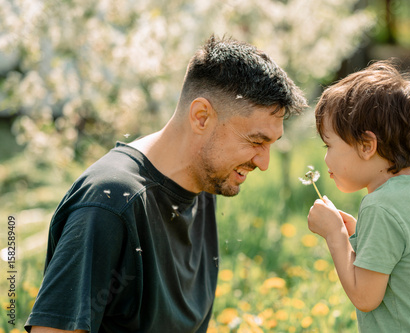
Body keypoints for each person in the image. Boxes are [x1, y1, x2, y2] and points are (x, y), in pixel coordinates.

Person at [25, 35, 307, 333]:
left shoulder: (203, 182)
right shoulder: (111, 203)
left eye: (271, 144)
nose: (264, 163)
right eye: (255, 141)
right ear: (201, 117)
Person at [307, 60, 410, 332]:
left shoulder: (379, 206)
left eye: (329, 145)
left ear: (367, 145)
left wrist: (335, 235)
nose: (325, 158)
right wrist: (358, 234)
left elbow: (365, 297)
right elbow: (402, 255)